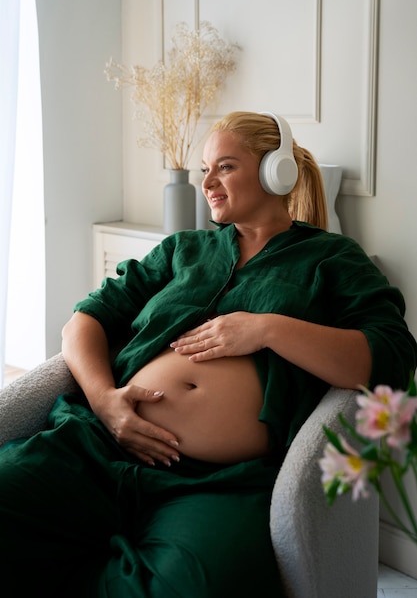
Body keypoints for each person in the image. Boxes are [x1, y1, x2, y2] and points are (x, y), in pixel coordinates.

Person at [0, 111, 416, 598]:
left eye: (225, 167)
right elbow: (83, 322)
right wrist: (104, 401)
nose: (208, 182)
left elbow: (390, 356)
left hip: (215, 483)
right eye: (205, 169)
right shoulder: (183, 250)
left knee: (193, 586)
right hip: (100, 444)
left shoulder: (333, 259)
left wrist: (267, 329)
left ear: (273, 171)